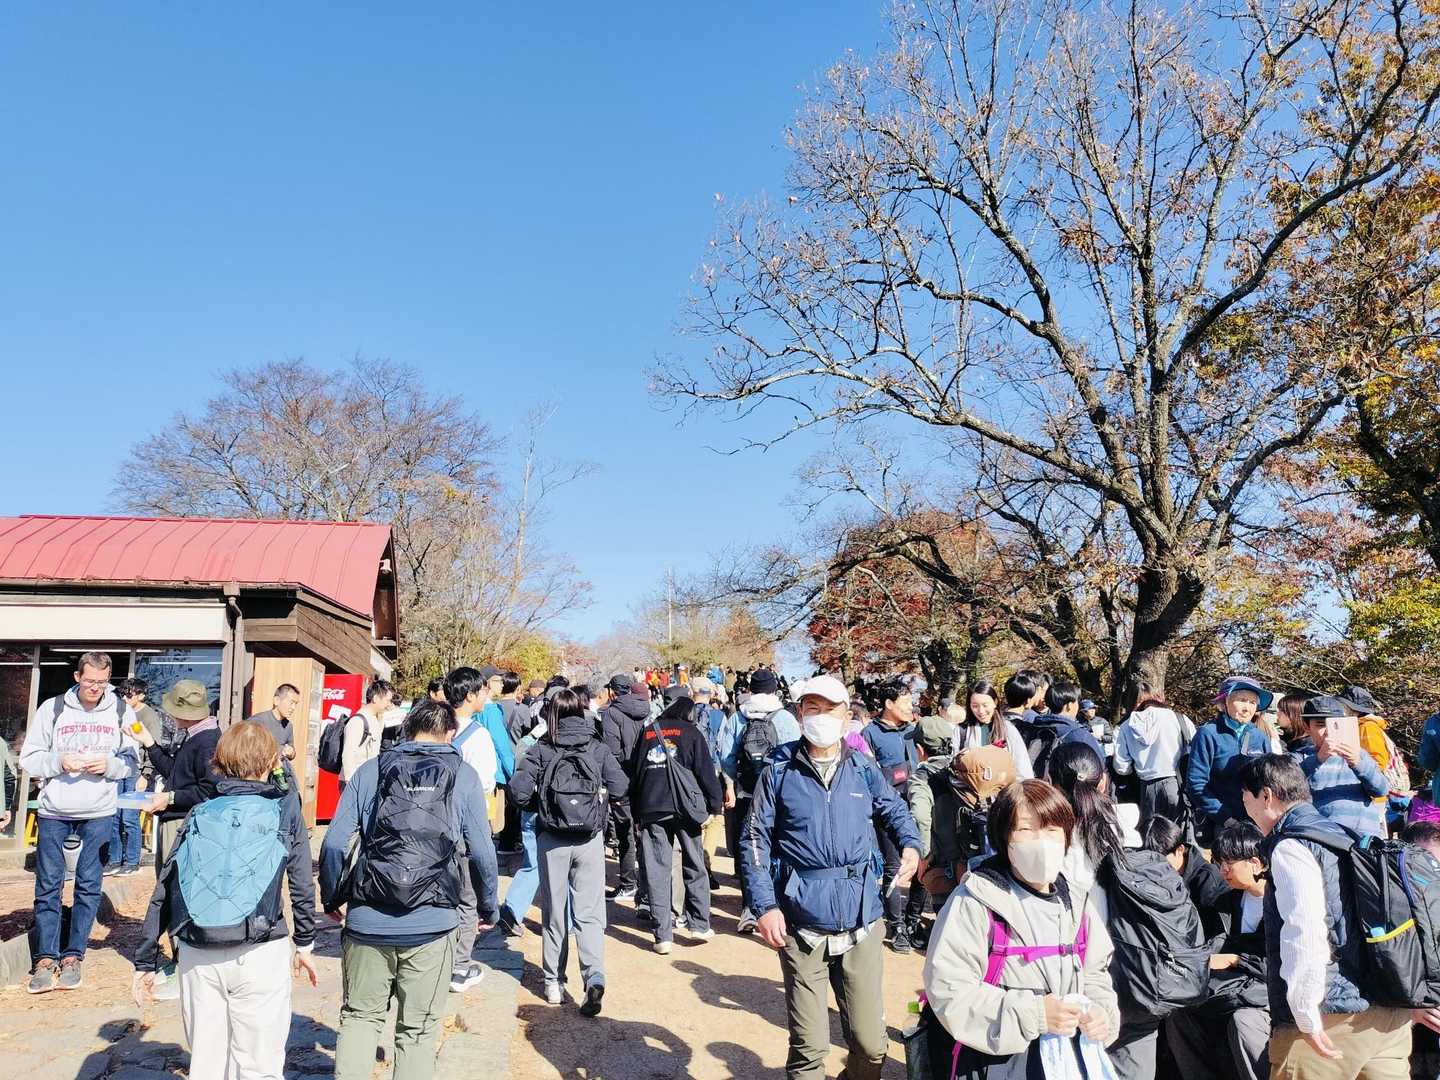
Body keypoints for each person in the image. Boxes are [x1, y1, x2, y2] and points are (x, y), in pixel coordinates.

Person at [743, 673, 921, 1079]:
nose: (821, 717)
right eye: (813, 708)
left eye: (830, 710)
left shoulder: (861, 767)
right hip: (800, 920)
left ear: (846, 718)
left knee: (871, 1044)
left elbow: (893, 809)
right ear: (800, 714)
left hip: (861, 917)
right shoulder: (778, 769)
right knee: (808, 1048)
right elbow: (754, 838)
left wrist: (911, 843)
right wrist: (765, 906)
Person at [319, 698, 499, 1080]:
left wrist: (332, 894)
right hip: (433, 923)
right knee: (417, 1031)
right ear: (450, 734)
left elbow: (334, 843)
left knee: (360, 1017)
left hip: (368, 919)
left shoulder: (371, 770)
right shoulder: (463, 775)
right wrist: (488, 905)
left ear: (406, 729)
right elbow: (482, 850)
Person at [132, 721, 318, 1080]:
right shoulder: (284, 809)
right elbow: (301, 882)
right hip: (261, 945)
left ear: (219, 762)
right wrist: (305, 942)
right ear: (272, 762)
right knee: (259, 1066)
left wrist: (145, 959)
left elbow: (167, 883)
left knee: (206, 1063)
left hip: (198, 948)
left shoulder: (200, 812)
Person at [921, 778, 1120, 1080]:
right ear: (1005, 839)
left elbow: (1094, 973)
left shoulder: (1077, 902)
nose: (1042, 842)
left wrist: (1101, 1011)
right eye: (1026, 830)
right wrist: (1034, 1015)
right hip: (997, 1062)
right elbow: (950, 988)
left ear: (1067, 836)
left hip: (1066, 1059)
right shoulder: (976, 901)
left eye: (1052, 830)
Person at [1239, 753, 1412, 1077]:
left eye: (1246, 799)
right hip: (1388, 1016)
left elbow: (1304, 929)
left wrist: (1305, 1012)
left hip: (1332, 1019)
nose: (1246, 809)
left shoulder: (1292, 846)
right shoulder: (1344, 836)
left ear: (1266, 796)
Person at [21, 651, 141, 993]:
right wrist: (59, 762)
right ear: (77, 677)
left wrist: (110, 767)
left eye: (102, 682)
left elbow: (132, 761)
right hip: (55, 811)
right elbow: (29, 757)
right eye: (89, 681)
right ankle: (45, 958)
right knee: (48, 885)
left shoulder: (121, 711)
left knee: (89, 886)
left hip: (99, 812)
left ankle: (74, 955)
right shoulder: (52, 709)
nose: (95, 688)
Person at [508, 687, 628, 1014]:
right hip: (589, 839)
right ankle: (593, 976)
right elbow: (620, 787)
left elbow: (518, 793)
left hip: (552, 839)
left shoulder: (542, 748)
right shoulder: (597, 747)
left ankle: (553, 982)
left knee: (554, 911)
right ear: (581, 711)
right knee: (589, 912)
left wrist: (542, 807)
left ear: (551, 715)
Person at [1165, 819, 1272, 1080]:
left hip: (1269, 991)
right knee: (1179, 1011)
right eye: (1219, 862)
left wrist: (1236, 960)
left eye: (1229, 863)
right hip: (1234, 985)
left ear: (1255, 863)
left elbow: (1287, 962)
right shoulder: (1229, 900)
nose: (1222, 870)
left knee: (1243, 1022)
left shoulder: (1282, 901)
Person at [631, 688, 724, 953]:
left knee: (657, 870)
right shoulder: (691, 732)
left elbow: (635, 773)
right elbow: (705, 772)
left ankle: (662, 935)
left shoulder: (648, 732)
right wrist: (714, 805)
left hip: (651, 808)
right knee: (694, 864)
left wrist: (637, 811)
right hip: (686, 808)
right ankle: (698, 924)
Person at [444, 665, 502, 990]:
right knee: (466, 898)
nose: (486, 696)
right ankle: (459, 967)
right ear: (470, 695)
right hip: (464, 828)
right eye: (482, 691)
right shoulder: (478, 736)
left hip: (429, 825)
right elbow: (484, 787)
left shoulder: (434, 726)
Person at [730, 667, 800, 933]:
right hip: (779, 794)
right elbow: (795, 755)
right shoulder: (784, 718)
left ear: (751, 689)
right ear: (774, 689)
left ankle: (750, 909)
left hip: (747, 793)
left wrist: (732, 784)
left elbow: (725, 756)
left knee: (751, 849)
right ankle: (778, 905)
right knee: (779, 849)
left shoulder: (738, 716)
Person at [909, 743, 1016, 906]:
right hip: (996, 867)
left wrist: (923, 856)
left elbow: (920, 817)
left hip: (951, 867)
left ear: (920, 749)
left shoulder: (926, 777)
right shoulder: (965, 771)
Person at [133, 678, 222, 874]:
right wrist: (149, 742)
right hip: (178, 819)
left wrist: (171, 797)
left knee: (173, 881)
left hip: (184, 821)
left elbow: (210, 790)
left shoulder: (207, 742)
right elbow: (175, 772)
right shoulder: (195, 735)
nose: (169, 714)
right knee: (168, 880)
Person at [861, 676, 922, 952]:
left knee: (922, 864)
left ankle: (913, 921)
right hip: (887, 810)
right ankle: (896, 927)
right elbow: (866, 775)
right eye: (906, 702)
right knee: (893, 867)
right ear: (888, 703)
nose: (911, 707)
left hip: (918, 807)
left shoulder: (913, 730)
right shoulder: (870, 734)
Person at [1184, 676, 1273, 845]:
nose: (1247, 708)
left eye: (1253, 702)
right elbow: (1196, 784)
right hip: (1223, 822)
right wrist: (1226, 819)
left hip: (1257, 822)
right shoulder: (1208, 734)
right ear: (1224, 702)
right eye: (1242, 700)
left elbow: (1269, 779)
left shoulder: (1259, 737)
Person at [1292, 694, 1389, 839]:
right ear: (1307, 727)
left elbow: (1381, 789)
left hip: (1365, 837)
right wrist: (1319, 758)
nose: (1328, 731)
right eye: (1321, 724)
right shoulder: (1299, 757)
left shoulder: (1358, 753)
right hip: (1325, 837)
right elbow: (1289, 786)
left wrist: (1357, 763)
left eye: (1334, 724)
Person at [1113, 680, 1196, 832]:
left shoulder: (1124, 727)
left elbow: (1121, 767)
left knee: (1151, 834)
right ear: (1156, 697)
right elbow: (1195, 750)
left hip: (1147, 787)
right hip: (1177, 783)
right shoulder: (1179, 718)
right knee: (1178, 834)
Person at [599, 674, 650, 902]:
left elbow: (611, 750)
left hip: (622, 777)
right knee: (643, 831)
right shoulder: (647, 709)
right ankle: (646, 884)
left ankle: (629, 883)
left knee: (625, 831)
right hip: (644, 775)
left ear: (612, 691)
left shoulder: (611, 713)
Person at [1141, 814, 1230, 939]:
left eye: (1161, 861)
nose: (1156, 868)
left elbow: (1212, 932)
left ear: (1180, 850)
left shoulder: (1208, 879)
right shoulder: (1149, 873)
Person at [691, 677, 737, 890]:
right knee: (715, 819)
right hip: (713, 773)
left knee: (694, 820)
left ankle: (693, 865)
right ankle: (706, 865)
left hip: (689, 775)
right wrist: (729, 785)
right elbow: (724, 752)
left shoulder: (685, 714)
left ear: (691, 692)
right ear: (711, 694)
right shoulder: (719, 716)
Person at [106, 676, 153, 875]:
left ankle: (132, 861)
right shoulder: (118, 713)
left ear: (141, 695)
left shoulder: (147, 716)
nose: (124, 698)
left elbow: (152, 746)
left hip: (135, 771)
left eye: (129, 694)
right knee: (114, 816)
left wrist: (146, 774)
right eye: (122, 694)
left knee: (130, 818)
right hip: (118, 768)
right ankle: (114, 859)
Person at [1012, 678, 1104, 778]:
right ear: (1069, 705)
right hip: (1068, 785)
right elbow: (1099, 765)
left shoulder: (1033, 727)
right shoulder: (1080, 735)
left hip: (1036, 784)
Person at [954, 679, 1033, 779]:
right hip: (971, 786)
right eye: (975, 706)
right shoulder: (962, 730)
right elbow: (954, 766)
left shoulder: (1007, 729)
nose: (981, 711)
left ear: (995, 702)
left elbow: (1022, 767)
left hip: (1003, 787)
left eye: (985, 705)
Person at [341, 678, 395, 785]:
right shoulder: (358, 721)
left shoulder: (376, 719)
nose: (390, 704)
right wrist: (351, 784)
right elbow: (348, 754)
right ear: (375, 698)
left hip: (366, 779)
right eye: (387, 700)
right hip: (355, 781)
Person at [246, 684, 299, 764]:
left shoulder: (288, 726)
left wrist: (291, 752)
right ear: (276, 700)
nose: (293, 708)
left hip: (277, 769)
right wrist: (280, 750)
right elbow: (247, 748)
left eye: (296, 704)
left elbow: (292, 751)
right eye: (291, 703)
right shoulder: (257, 721)